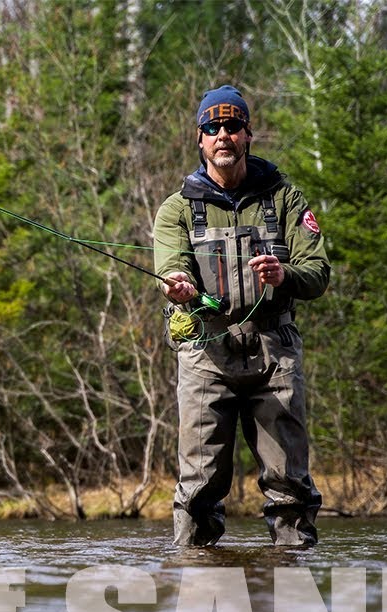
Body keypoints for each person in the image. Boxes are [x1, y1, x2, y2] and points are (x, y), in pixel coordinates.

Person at [151, 85, 330, 546]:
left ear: (249, 134)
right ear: (200, 139)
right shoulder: (177, 209)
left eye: (233, 127)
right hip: (206, 356)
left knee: (290, 485)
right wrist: (180, 285)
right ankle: (198, 580)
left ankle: (293, 581)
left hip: (275, 355)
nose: (223, 135)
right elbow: (170, 265)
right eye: (213, 128)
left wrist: (283, 274)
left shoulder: (285, 199)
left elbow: (318, 273)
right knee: (198, 488)